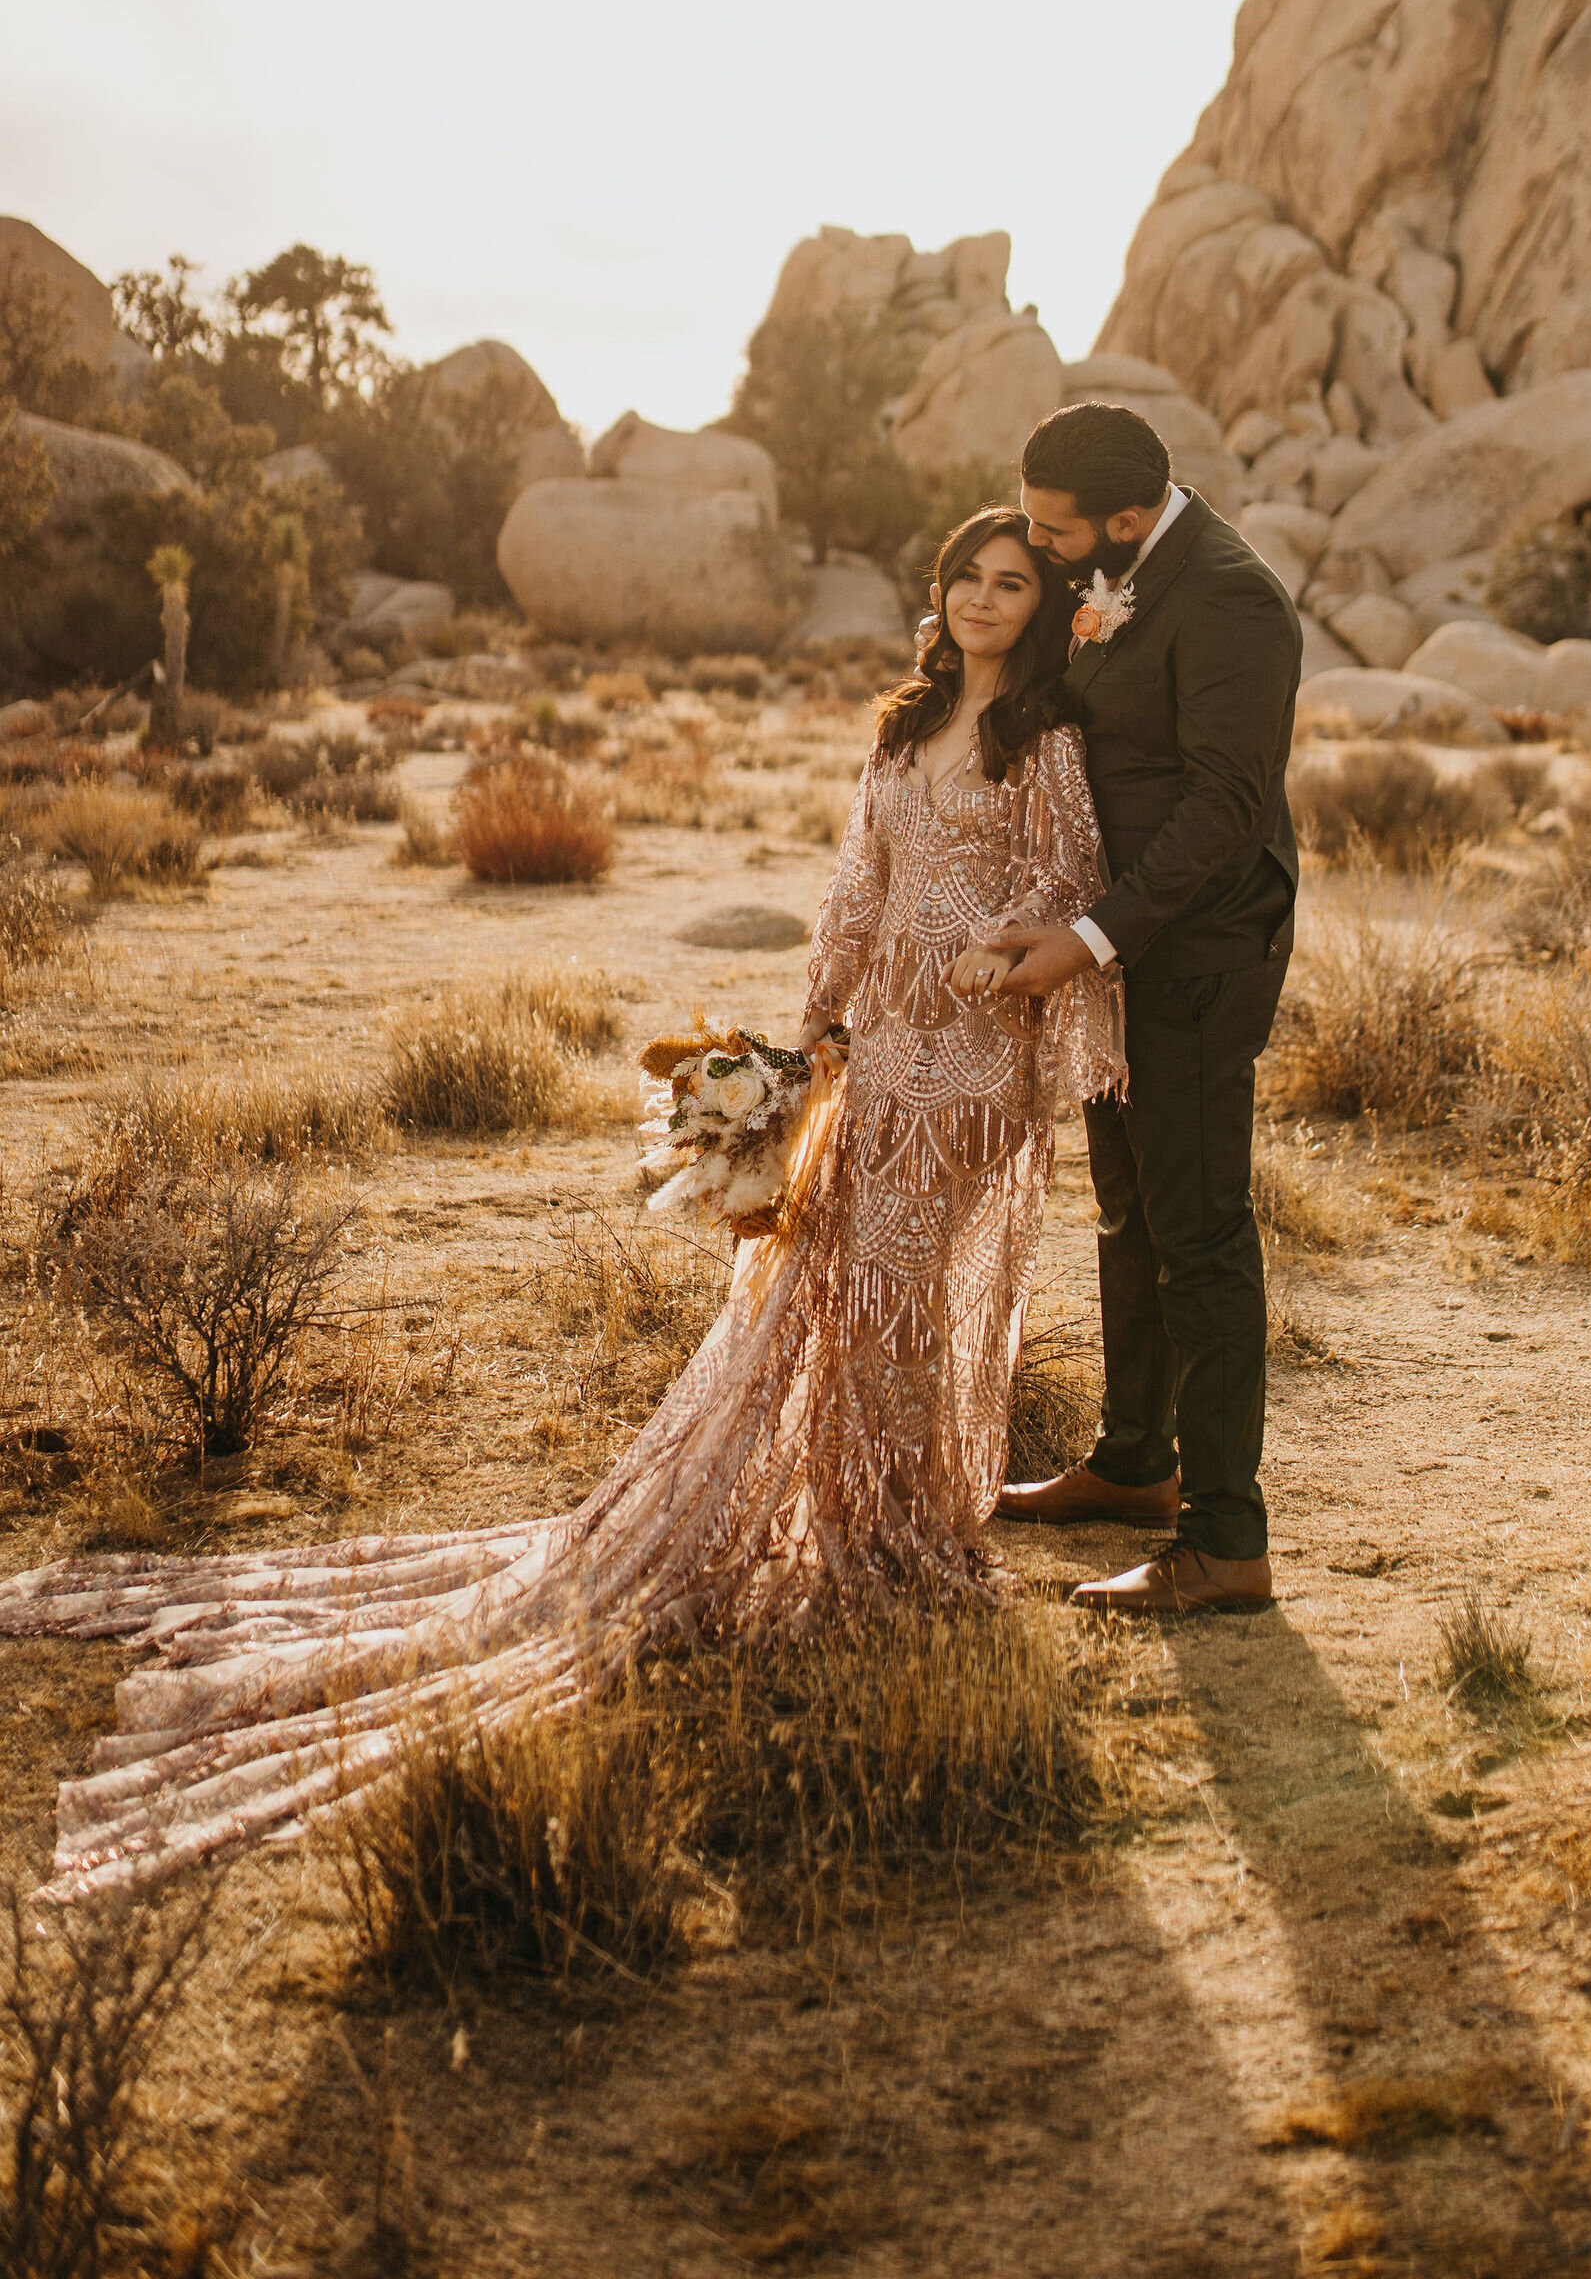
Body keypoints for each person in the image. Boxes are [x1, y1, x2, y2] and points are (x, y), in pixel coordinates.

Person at [0, 508, 1123, 1895]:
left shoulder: (1043, 741)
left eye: (1014, 585)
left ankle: (900, 1540)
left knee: (897, 1295)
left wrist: (998, 957)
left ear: (1042, 606)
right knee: (827, 1294)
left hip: (965, 1060)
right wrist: (812, 1021)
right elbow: (856, 880)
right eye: (968, 579)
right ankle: (863, 1528)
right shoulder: (903, 727)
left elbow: (1066, 880)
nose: (985, 601)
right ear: (938, 589)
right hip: (871, 1047)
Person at [989, 402, 1302, 1618]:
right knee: (1129, 1212)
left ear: (1125, 520)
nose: (1038, 544)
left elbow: (1224, 805)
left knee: (1199, 1232)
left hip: (1199, 953)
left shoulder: (1230, 599)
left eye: (1053, 531)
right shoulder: (1110, 568)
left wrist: (1088, 938)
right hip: (1117, 948)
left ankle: (1225, 1542)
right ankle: (1133, 1463)